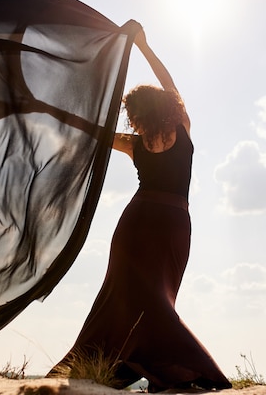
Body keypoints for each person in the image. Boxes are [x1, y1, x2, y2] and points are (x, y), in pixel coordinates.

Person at [47, 27, 232, 392]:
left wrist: (55, 107)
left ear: (138, 114)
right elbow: (169, 84)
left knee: (132, 295)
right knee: (151, 296)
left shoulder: (135, 143)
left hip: (139, 222)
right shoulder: (181, 127)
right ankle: (175, 371)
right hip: (173, 221)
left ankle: (121, 366)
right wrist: (144, 46)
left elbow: (91, 129)